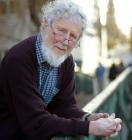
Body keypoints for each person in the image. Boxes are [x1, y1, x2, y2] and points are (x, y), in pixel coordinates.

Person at [0, 0, 122, 140]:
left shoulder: (66, 61)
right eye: (61, 31)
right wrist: (89, 128)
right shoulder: (19, 59)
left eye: (73, 36)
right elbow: (35, 122)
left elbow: (65, 107)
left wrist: (88, 118)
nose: (66, 40)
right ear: (45, 25)